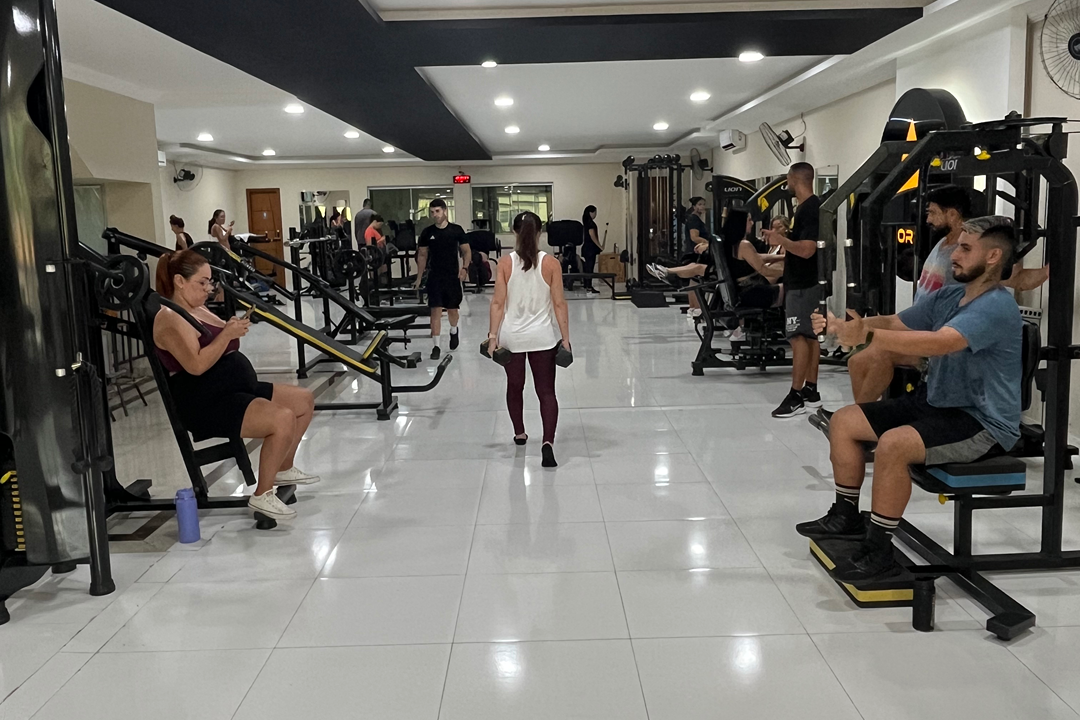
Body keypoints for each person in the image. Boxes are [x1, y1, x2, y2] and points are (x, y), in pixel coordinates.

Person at [796, 219, 1022, 582]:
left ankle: (879, 550)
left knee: (894, 444)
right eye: (957, 247)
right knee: (844, 421)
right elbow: (895, 322)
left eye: (966, 248)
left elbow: (941, 343)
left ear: (993, 256)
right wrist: (847, 327)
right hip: (935, 402)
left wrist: (867, 337)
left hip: (981, 420)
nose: (955, 255)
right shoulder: (950, 296)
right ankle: (846, 517)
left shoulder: (996, 306)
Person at [823, 192, 1047, 411]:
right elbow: (895, 317)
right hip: (921, 324)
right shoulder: (943, 244)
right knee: (856, 361)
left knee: (877, 355)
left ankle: (863, 418)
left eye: (932, 212)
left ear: (952, 214)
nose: (927, 219)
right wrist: (852, 325)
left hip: (942, 339)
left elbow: (1017, 279)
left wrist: (1052, 269)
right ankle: (864, 415)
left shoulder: (976, 261)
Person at [153, 250, 319, 520]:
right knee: (282, 419)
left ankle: (282, 468)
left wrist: (232, 327)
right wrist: (226, 334)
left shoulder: (197, 309)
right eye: (201, 282)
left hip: (232, 389)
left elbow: (224, 340)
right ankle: (262, 495)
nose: (208, 289)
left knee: (303, 401)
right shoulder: (170, 318)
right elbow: (196, 365)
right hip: (205, 400)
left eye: (209, 282)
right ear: (179, 282)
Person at [488, 211, 571, 468]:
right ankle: (547, 443)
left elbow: (498, 303)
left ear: (514, 232)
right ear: (540, 233)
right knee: (546, 392)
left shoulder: (504, 264)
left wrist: (492, 337)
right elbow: (559, 304)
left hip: (512, 338)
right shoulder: (551, 264)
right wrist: (565, 339)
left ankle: (520, 433)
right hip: (542, 338)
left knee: (515, 387)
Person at [763, 163, 821, 418]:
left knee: (798, 336)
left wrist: (781, 240)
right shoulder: (805, 208)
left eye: (787, 179)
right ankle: (811, 391)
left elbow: (807, 250)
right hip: (803, 282)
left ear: (793, 179)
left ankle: (796, 395)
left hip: (803, 284)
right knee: (809, 336)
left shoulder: (809, 209)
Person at [415, 198, 471, 359]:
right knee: (435, 311)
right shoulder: (427, 232)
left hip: (452, 277)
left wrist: (465, 268)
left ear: (445, 211)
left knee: (452, 310)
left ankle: (454, 330)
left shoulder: (456, 230)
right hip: (434, 277)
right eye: (432, 212)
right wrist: (419, 277)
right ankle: (436, 346)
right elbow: (422, 255)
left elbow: (466, 251)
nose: (435, 215)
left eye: (438, 211)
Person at [581, 205, 603, 294]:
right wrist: (599, 246)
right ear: (591, 213)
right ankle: (589, 286)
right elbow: (592, 235)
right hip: (590, 249)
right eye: (595, 213)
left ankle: (587, 285)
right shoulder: (590, 223)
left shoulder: (586, 222)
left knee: (588, 267)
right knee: (590, 268)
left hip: (587, 248)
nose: (595, 215)